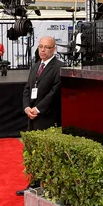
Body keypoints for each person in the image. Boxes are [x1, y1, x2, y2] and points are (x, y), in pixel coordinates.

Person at [16, 36, 63, 196]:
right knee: (33, 152)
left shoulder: (59, 68)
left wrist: (38, 109)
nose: (43, 50)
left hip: (47, 117)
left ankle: (50, 187)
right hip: (32, 117)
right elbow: (27, 89)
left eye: (47, 47)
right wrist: (27, 108)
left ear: (54, 49)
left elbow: (54, 93)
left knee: (48, 153)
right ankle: (35, 184)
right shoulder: (36, 66)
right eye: (41, 46)